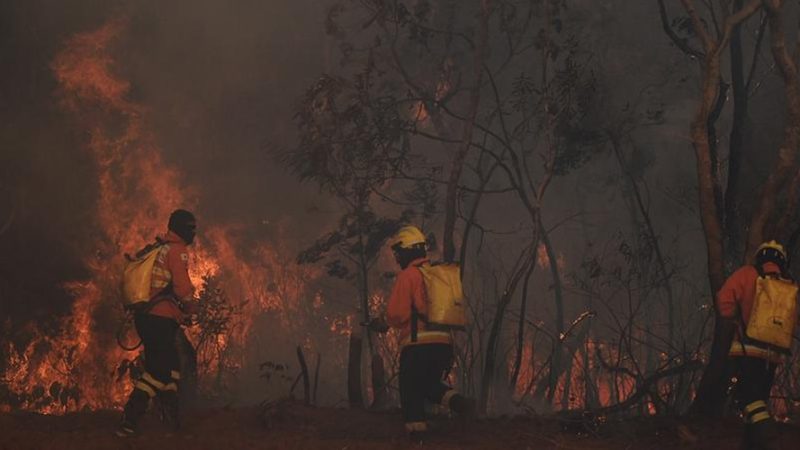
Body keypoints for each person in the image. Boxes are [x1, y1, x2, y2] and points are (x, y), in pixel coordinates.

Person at [382, 225, 475, 439]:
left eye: (399, 253)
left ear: (407, 251)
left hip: (417, 344)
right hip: (443, 344)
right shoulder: (435, 275)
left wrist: (383, 322)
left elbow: (397, 313)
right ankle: (461, 404)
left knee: (410, 389)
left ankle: (417, 435)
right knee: (428, 385)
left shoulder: (409, 276)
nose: (397, 258)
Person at [117, 209, 199, 437]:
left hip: (149, 317)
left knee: (172, 368)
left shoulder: (159, 248)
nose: (193, 233)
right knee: (159, 372)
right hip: (159, 320)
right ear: (181, 228)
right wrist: (192, 308)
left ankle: (172, 422)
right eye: (191, 228)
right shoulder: (177, 250)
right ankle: (129, 420)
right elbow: (182, 288)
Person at [717, 240, 797, 450]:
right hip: (773, 354)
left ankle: (766, 431)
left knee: (746, 397)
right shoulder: (789, 284)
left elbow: (723, 299)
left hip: (747, 348)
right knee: (758, 398)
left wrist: (734, 316)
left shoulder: (747, 274)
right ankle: (752, 444)